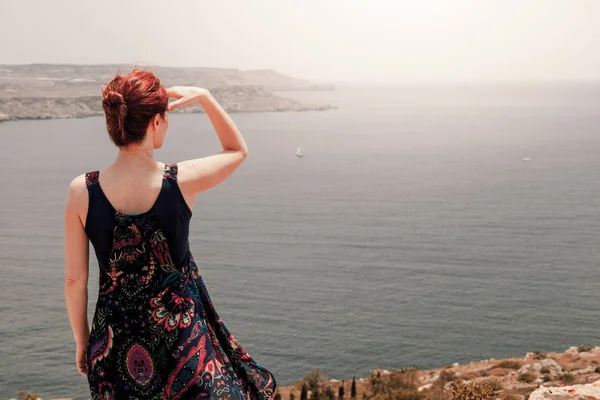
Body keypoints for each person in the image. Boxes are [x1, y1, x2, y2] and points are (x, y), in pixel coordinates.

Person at [63, 69, 277, 400]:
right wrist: (205, 97)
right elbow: (237, 150)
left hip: (112, 349)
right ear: (156, 122)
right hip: (183, 347)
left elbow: (74, 281)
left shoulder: (82, 190)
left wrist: (82, 341)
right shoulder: (180, 180)